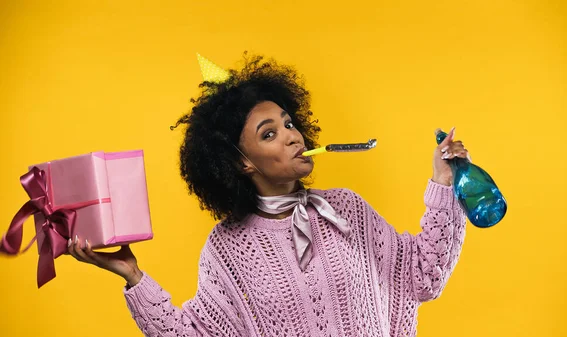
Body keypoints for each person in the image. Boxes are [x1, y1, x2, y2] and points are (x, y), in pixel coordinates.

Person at [67, 53, 469, 337]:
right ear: (243, 163)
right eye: (269, 134)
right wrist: (133, 277)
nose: (293, 136)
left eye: (288, 123)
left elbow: (424, 274)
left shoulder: (346, 209)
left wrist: (443, 181)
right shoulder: (228, 248)